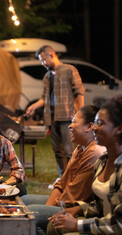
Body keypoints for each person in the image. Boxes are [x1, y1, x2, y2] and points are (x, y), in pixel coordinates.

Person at [47, 93, 122, 235]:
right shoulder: (102, 161)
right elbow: (101, 207)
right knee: (55, 226)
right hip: (104, 225)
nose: (94, 128)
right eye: (94, 122)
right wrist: (78, 209)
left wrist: (77, 225)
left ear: (118, 129)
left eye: (100, 123)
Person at [21, 105, 106, 235]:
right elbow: (63, 182)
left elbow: (73, 198)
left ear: (89, 127)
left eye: (74, 121)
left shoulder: (95, 152)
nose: (69, 126)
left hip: (77, 207)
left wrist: (46, 210)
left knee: (28, 215)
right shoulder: (80, 147)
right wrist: (48, 207)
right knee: (23, 201)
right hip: (66, 201)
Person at [26, 45, 85, 178]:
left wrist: (80, 114)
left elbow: (79, 91)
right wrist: (33, 107)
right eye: (41, 60)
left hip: (67, 117)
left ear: (51, 55)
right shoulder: (47, 76)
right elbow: (44, 97)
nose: (42, 63)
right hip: (52, 119)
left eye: (43, 59)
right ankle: (62, 178)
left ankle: (73, 179)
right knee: (58, 152)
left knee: (70, 151)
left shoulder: (69, 70)